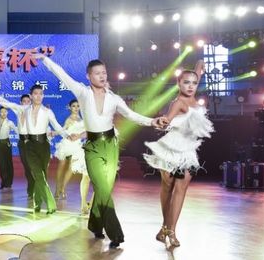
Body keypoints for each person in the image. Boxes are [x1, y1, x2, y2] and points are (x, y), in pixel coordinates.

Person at [37, 54, 167, 249]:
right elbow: (61, 74)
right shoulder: (82, 92)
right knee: (103, 188)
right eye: (97, 73)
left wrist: (152, 121)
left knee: (103, 189)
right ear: (88, 76)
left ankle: (95, 225)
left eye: (104, 73)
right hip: (93, 147)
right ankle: (115, 233)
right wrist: (44, 59)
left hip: (111, 146)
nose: (102, 76)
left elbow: (131, 115)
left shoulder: (114, 98)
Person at [144, 62, 212, 248]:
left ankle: (171, 230)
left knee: (181, 189)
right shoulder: (179, 102)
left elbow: (197, 72)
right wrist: (163, 121)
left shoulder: (193, 97)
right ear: (178, 84)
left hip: (188, 151)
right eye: (186, 82)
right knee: (167, 188)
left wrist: (200, 65)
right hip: (172, 149)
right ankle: (165, 227)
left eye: (194, 83)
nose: (191, 86)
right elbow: (168, 119)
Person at [0, 84, 69, 214]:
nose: (38, 96)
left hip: (44, 145)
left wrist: (66, 135)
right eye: (35, 94)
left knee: (42, 175)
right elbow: (11, 105)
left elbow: (57, 126)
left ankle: (37, 202)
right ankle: (51, 203)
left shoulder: (47, 111)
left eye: (41, 94)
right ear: (31, 96)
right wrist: (1, 101)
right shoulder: (25, 109)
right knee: (37, 174)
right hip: (30, 146)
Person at [53, 99, 92, 214]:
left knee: (71, 168)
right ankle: (57, 188)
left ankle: (63, 188)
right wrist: (54, 133)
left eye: (78, 106)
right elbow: (63, 129)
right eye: (74, 106)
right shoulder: (69, 119)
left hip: (77, 145)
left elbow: (86, 133)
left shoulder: (82, 119)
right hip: (68, 143)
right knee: (61, 166)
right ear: (70, 107)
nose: (76, 108)